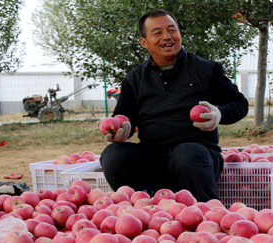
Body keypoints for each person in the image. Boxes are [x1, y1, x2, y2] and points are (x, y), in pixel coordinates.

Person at [99, 9, 248, 202]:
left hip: (196, 157)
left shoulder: (206, 69)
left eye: (172, 30)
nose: (167, 37)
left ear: (180, 34)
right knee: (113, 155)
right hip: (152, 158)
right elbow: (124, 117)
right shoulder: (134, 79)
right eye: (157, 33)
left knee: (186, 153)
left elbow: (239, 103)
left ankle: (205, 214)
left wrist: (219, 113)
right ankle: (139, 207)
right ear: (143, 42)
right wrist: (120, 130)